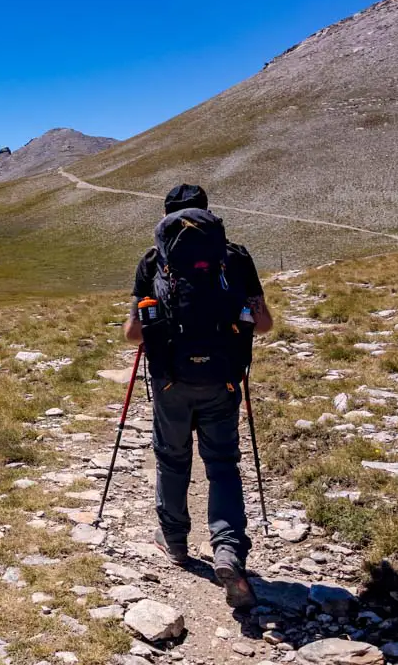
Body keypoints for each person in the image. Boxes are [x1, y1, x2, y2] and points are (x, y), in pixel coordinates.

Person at [123, 184, 272, 609]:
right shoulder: (236, 257)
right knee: (222, 464)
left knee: (172, 457)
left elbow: (135, 333)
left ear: (166, 217)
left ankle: (174, 541)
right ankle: (228, 551)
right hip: (224, 380)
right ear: (209, 214)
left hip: (171, 380)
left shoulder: (153, 260)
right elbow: (262, 324)